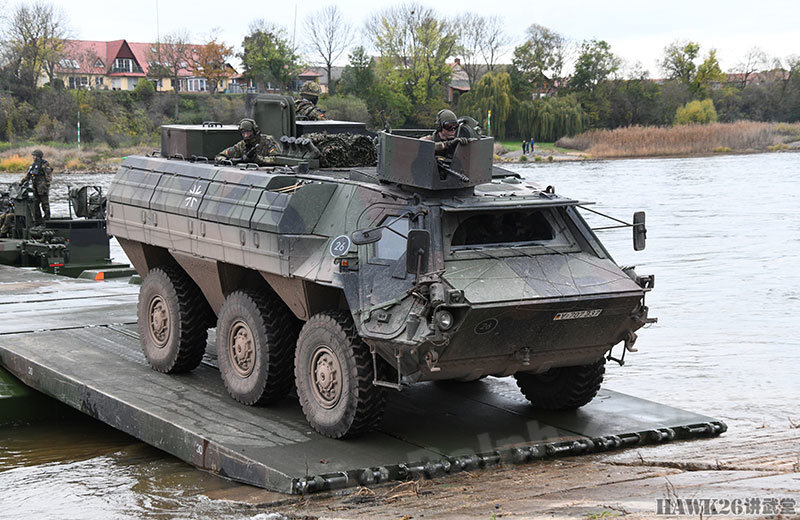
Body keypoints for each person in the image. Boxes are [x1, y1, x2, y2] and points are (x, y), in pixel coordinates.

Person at [215, 119, 281, 166]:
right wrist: (224, 161)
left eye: (248, 132)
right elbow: (221, 155)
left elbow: (277, 159)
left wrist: (257, 159)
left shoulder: (268, 141)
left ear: (254, 131)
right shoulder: (241, 145)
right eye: (243, 133)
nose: (246, 135)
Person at [20, 149, 53, 224]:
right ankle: (38, 219)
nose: (33, 157)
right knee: (35, 203)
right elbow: (28, 175)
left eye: (34, 156)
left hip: (42, 186)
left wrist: (46, 184)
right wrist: (22, 182)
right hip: (35, 186)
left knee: (44, 203)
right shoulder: (33, 165)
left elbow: (48, 176)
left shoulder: (45, 164)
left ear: (38, 156)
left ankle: (47, 218)